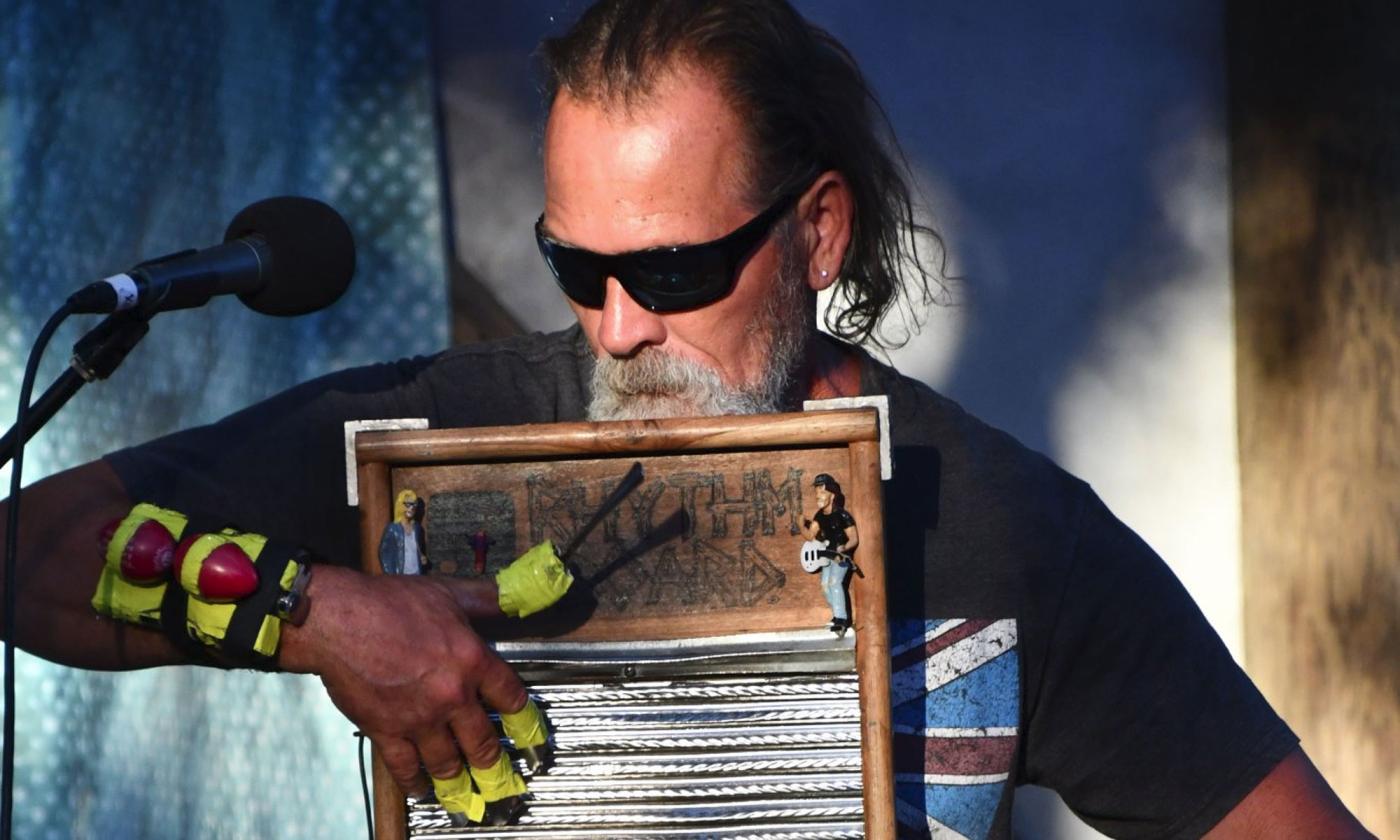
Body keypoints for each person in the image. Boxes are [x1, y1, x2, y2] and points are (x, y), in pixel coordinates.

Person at [0, 0, 1373, 836]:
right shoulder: (437, 443)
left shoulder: (1008, 534)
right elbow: (32, 553)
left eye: (669, 271)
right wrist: (317, 615)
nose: (615, 325)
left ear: (816, 232)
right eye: (572, 268)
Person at [800, 473, 859, 635]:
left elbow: (854, 538)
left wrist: (845, 547)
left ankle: (841, 619)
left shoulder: (842, 515)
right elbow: (810, 537)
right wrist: (801, 525)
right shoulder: (819, 516)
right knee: (825, 586)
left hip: (840, 557)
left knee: (834, 583)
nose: (818, 495)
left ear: (832, 494)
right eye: (817, 492)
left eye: (822, 491)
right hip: (827, 556)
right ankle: (838, 616)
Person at [378, 489, 427, 575]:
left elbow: (417, 548)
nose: (411, 508)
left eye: (414, 505)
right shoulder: (392, 528)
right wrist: (391, 574)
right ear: (400, 505)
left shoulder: (417, 528)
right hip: (401, 574)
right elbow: (384, 554)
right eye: (408, 504)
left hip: (417, 573)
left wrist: (421, 557)